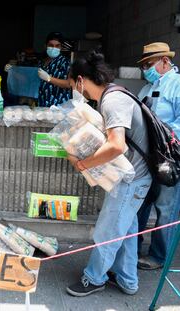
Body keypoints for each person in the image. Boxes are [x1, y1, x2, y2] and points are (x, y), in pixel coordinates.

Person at [65, 52, 152, 297]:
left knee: (108, 229)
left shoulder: (112, 101)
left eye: (74, 86)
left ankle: (94, 278)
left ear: (81, 80)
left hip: (132, 178)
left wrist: (85, 164)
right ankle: (127, 280)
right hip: (136, 175)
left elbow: (117, 146)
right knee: (125, 229)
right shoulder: (113, 93)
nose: (76, 91)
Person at [136, 42, 180, 270]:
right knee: (141, 203)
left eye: (149, 64)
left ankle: (157, 256)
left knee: (165, 207)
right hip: (146, 156)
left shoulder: (177, 85)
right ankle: (133, 248)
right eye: (144, 65)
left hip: (169, 157)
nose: (146, 69)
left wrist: (161, 131)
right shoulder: (147, 88)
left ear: (165, 60)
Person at [5, 32, 71, 107]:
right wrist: (12, 71)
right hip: (42, 106)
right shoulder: (41, 63)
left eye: (57, 46)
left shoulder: (66, 62)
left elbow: (68, 84)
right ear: (45, 46)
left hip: (59, 107)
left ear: (61, 48)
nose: (54, 48)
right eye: (51, 45)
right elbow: (29, 80)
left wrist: (49, 78)